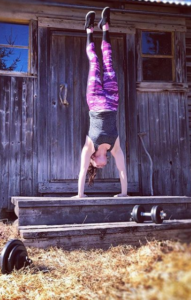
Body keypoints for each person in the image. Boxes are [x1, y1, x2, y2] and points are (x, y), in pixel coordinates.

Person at [73, 7, 128, 198]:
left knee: (95, 62)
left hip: (95, 99)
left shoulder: (90, 147)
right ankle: (105, 26)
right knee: (109, 62)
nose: (101, 167)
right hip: (112, 101)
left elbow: (82, 172)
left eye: (96, 166)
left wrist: (80, 195)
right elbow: (122, 170)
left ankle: (88, 30)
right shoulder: (115, 147)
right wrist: (124, 193)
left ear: (94, 161)